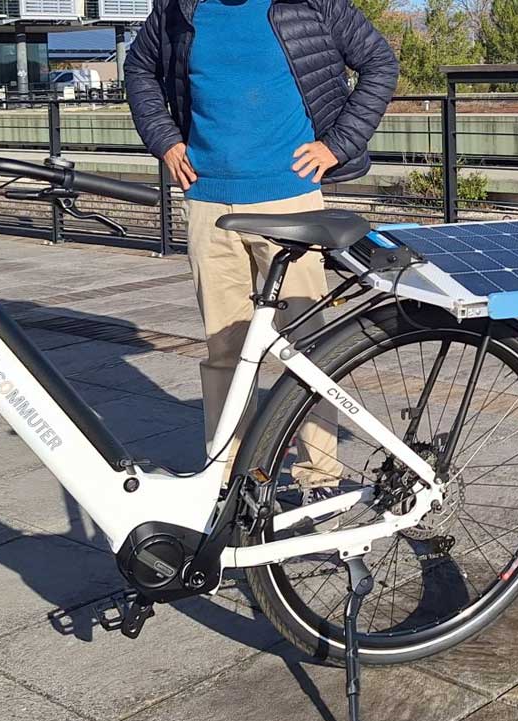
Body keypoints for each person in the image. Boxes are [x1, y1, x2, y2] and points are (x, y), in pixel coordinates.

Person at [125, 0, 398, 492]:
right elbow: (140, 68)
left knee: (309, 350)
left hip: (291, 204)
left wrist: (338, 145)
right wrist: (164, 139)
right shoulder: (181, 8)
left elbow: (380, 62)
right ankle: (228, 477)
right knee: (224, 349)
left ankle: (319, 478)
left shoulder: (313, 4)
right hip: (210, 205)